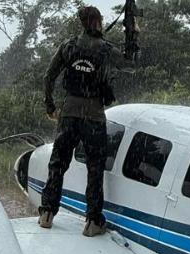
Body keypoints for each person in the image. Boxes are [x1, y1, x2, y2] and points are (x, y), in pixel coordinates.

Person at [40, 6, 130, 237]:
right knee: (95, 168)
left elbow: (49, 76)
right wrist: (133, 34)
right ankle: (92, 221)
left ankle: (47, 213)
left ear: (81, 23)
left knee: (58, 163)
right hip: (94, 115)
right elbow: (130, 62)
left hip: (69, 111)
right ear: (99, 21)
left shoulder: (68, 46)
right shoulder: (107, 49)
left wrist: (50, 106)